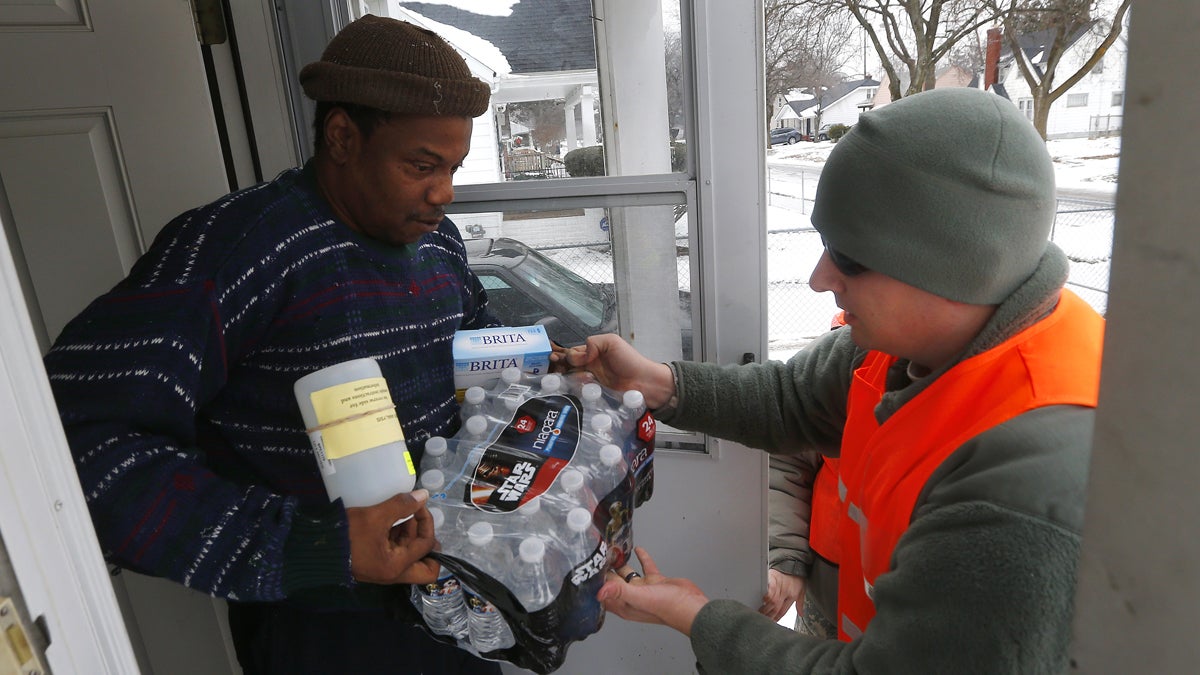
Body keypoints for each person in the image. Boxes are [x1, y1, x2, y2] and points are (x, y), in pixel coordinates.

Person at [559, 87, 1105, 673]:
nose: (821, 279)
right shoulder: (902, 345)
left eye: (847, 256)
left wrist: (697, 616)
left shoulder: (1028, 483)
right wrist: (656, 382)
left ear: (950, 264)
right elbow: (792, 400)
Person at [43, 15, 505, 674]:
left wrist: (535, 371)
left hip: (453, 594)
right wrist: (314, 543)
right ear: (343, 136)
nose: (444, 191)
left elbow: (473, 339)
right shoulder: (239, 249)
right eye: (422, 165)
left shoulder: (437, 240)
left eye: (453, 167)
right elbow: (74, 443)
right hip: (325, 627)